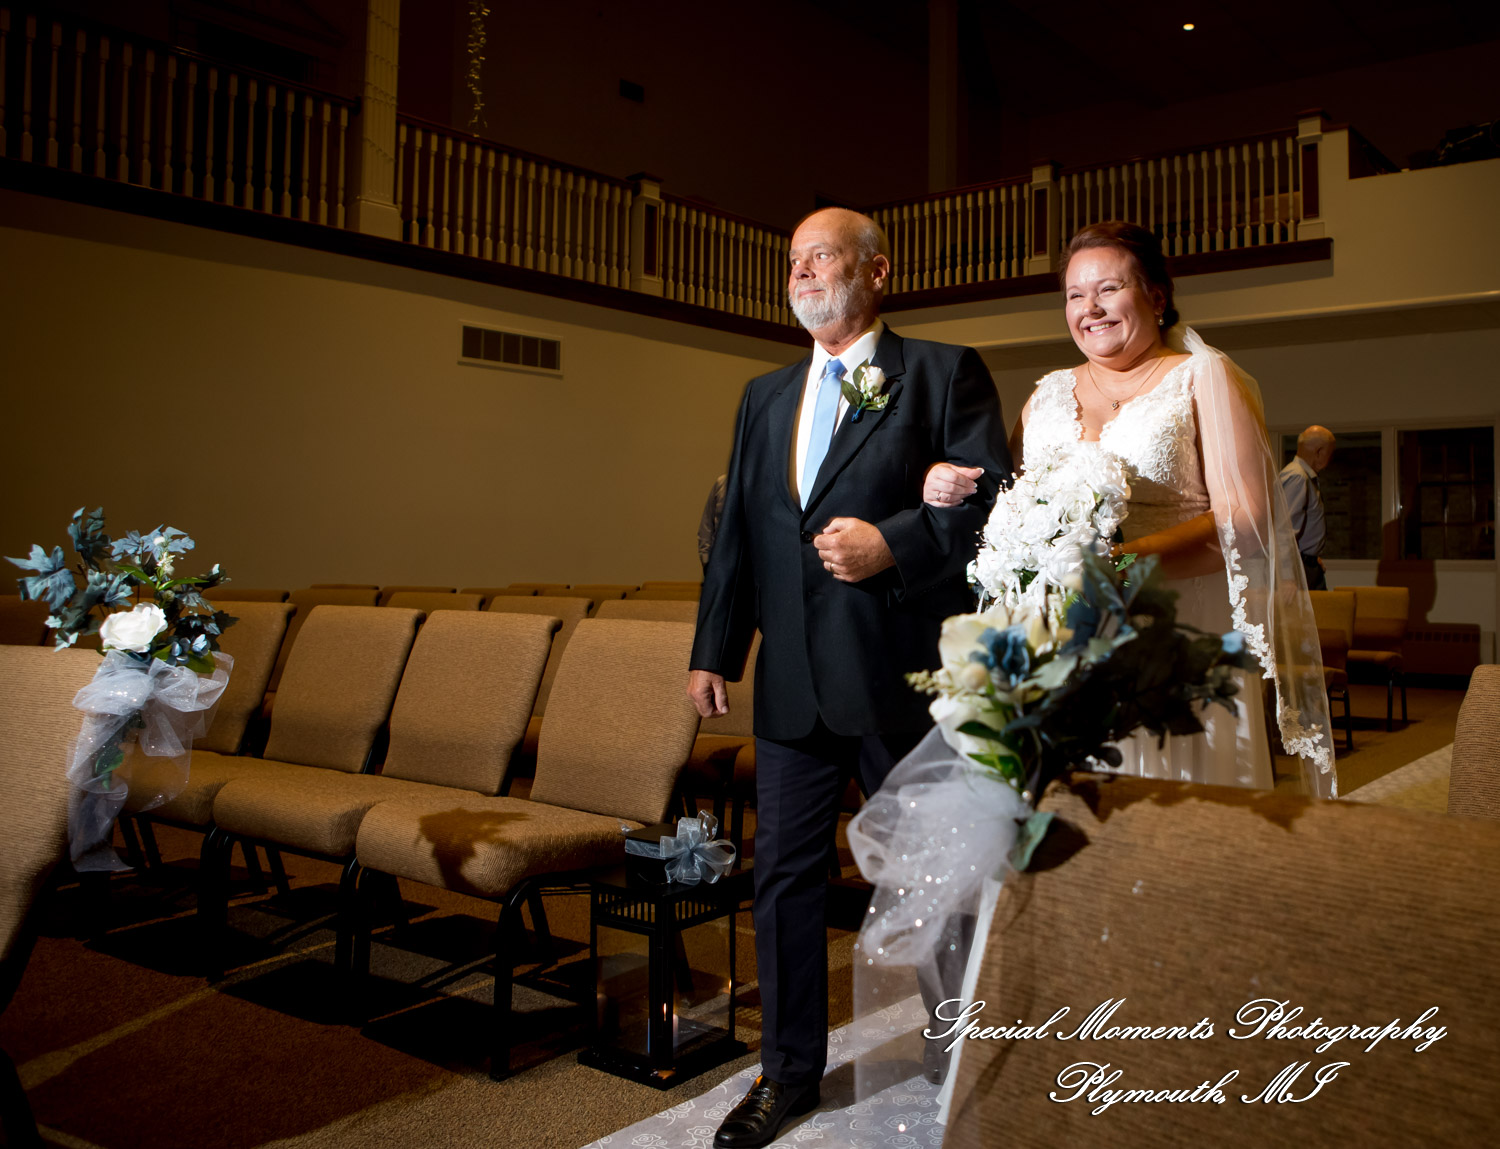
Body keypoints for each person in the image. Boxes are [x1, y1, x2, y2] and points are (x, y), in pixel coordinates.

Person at [688, 207, 1011, 1149]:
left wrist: (893, 542)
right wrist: (715, 648)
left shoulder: (941, 372)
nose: (801, 273)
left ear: (877, 271)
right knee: (782, 877)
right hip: (792, 676)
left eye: (820, 256)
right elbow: (741, 534)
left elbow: (994, 507)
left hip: (899, 673)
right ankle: (787, 1072)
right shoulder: (763, 395)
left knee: (934, 874)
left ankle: (965, 1057)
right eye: (793, 260)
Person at [924, 220, 1335, 792]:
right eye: (1074, 295)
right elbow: (1005, 504)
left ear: (1157, 297)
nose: (1089, 308)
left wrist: (1116, 569)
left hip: (1175, 627)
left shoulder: (1202, 378)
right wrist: (942, 481)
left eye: (1108, 289)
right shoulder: (1047, 394)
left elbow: (1247, 521)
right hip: (1059, 637)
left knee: (1169, 804)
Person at [1281, 425, 1336, 590]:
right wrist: (1287, 577)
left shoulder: (1304, 476)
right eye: (1330, 453)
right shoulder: (1297, 477)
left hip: (1307, 564)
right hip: (1299, 569)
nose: (1330, 459)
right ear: (1319, 452)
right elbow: (1285, 530)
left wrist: (1311, 556)